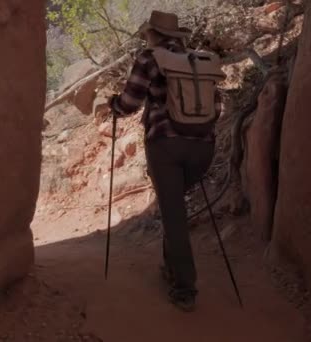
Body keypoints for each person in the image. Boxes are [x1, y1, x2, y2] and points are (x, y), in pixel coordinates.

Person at [107, 10, 225, 312]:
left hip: (166, 146)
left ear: (153, 35)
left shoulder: (150, 58)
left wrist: (114, 106)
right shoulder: (200, 63)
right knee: (174, 209)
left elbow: (130, 102)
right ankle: (173, 268)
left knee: (174, 215)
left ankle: (185, 288)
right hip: (203, 147)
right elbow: (217, 107)